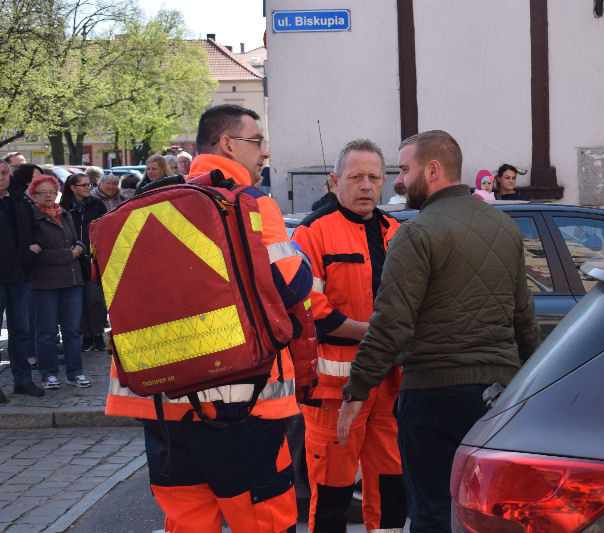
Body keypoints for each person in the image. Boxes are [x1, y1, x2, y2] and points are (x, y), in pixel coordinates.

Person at [104, 104, 313, 533]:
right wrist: (301, 256)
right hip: (245, 406)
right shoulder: (250, 203)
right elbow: (293, 286)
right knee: (265, 522)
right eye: (257, 143)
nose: (264, 154)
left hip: (162, 406)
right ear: (228, 145)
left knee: (187, 523)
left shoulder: (148, 206)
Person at [337, 130, 540, 532]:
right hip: (496, 394)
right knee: (485, 512)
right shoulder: (504, 227)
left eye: (404, 168)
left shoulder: (416, 233)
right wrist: (529, 386)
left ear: (432, 170)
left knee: (432, 513)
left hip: (433, 396)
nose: (398, 180)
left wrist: (356, 390)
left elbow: (391, 325)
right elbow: (524, 319)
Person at [292, 139, 407, 533]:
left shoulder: (396, 231)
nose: (366, 186)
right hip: (333, 389)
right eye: (355, 177)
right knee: (332, 496)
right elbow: (312, 312)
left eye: (374, 177)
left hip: (391, 382)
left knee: (392, 489)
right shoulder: (312, 233)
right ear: (334, 181)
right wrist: (376, 333)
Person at [28, 175, 91, 390]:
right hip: (45, 283)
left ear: (58, 193)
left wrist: (80, 247)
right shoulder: (32, 218)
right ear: (33, 195)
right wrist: (69, 254)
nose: (48, 196)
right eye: (42, 192)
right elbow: (36, 252)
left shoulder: (64, 214)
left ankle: (75, 373)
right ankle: (48, 374)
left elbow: (77, 239)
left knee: (72, 331)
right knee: (46, 332)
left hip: (72, 280)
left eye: (52, 192)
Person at [0, 159, 44, 400]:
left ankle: (23, 380)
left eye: (5, 173)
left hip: (19, 276)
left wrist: (36, 246)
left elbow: (36, 229)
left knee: (21, 331)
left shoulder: (19, 200)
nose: (1, 177)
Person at [60, 173, 108, 352]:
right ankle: (86, 335)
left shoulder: (96, 205)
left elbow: (105, 228)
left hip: (93, 258)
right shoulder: (63, 207)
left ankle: (97, 334)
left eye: (90, 184)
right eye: (84, 185)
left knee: (95, 299)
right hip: (72, 258)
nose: (89, 187)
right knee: (78, 301)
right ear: (73, 188)